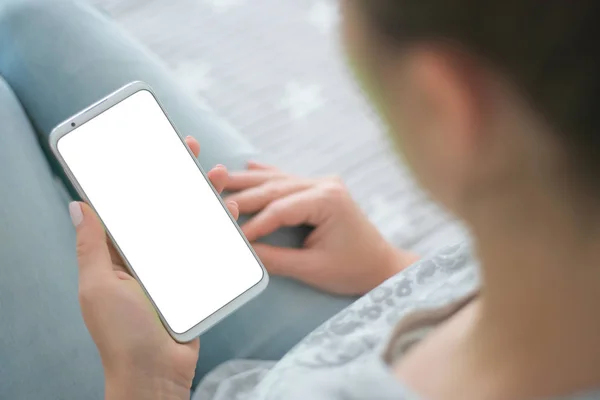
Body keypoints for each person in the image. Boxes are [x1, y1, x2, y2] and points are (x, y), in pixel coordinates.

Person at [2, 0, 600, 400]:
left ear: (451, 109)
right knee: (30, 16)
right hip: (362, 321)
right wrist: (393, 269)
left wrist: (142, 378)